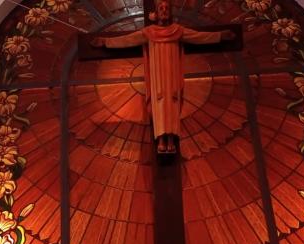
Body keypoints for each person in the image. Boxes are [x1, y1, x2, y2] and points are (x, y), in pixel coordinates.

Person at [91, 0, 235, 153]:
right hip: (157, 76)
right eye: (161, 8)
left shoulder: (178, 30)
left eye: (167, 8)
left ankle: (172, 138)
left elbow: (199, 37)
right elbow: (127, 40)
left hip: (172, 74)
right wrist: (106, 42)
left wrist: (219, 36)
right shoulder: (149, 32)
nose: (164, 10)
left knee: (172, 102)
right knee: (159, 103)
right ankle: (161, 138)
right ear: (157, 13)